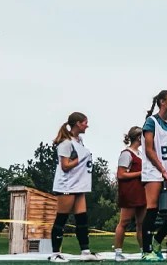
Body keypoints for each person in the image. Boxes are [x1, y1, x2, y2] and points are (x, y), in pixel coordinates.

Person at [138, 90, 167, 261]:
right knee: (152, 209)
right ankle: (146, 249)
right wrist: (163, 170)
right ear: (162, 102)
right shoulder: (151, 122)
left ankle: (158, 238)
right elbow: (149, 150)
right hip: (154, 171)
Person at [48, 112, 97, 263]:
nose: (87, 125)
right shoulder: (66, 143)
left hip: (79, 185)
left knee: (82, 218)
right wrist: (80, 159)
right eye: (84, 123)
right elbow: (65, 166)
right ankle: (55, 253)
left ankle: (85, 250)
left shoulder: (79, 140)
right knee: (61, 219)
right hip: (67, 185)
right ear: (77, 123)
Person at [115, 127, 147, 262]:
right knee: (124, 222)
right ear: (139, 138)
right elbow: (121, 174)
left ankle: (143, 251)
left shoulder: (140, 153)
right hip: (130, 191)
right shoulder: (126, 154)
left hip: (141, 191)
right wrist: (140, 173)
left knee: (142, 223)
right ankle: (118, 252)